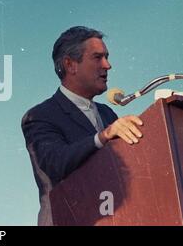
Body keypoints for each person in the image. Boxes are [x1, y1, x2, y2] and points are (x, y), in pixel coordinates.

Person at [21, 26, 143, 226]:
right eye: (98, 57)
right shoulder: (40, 116)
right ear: (70, 65)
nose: (107, 65)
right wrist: (102, 136)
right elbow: (55, 162)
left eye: (107, 57)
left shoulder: (107, 113)